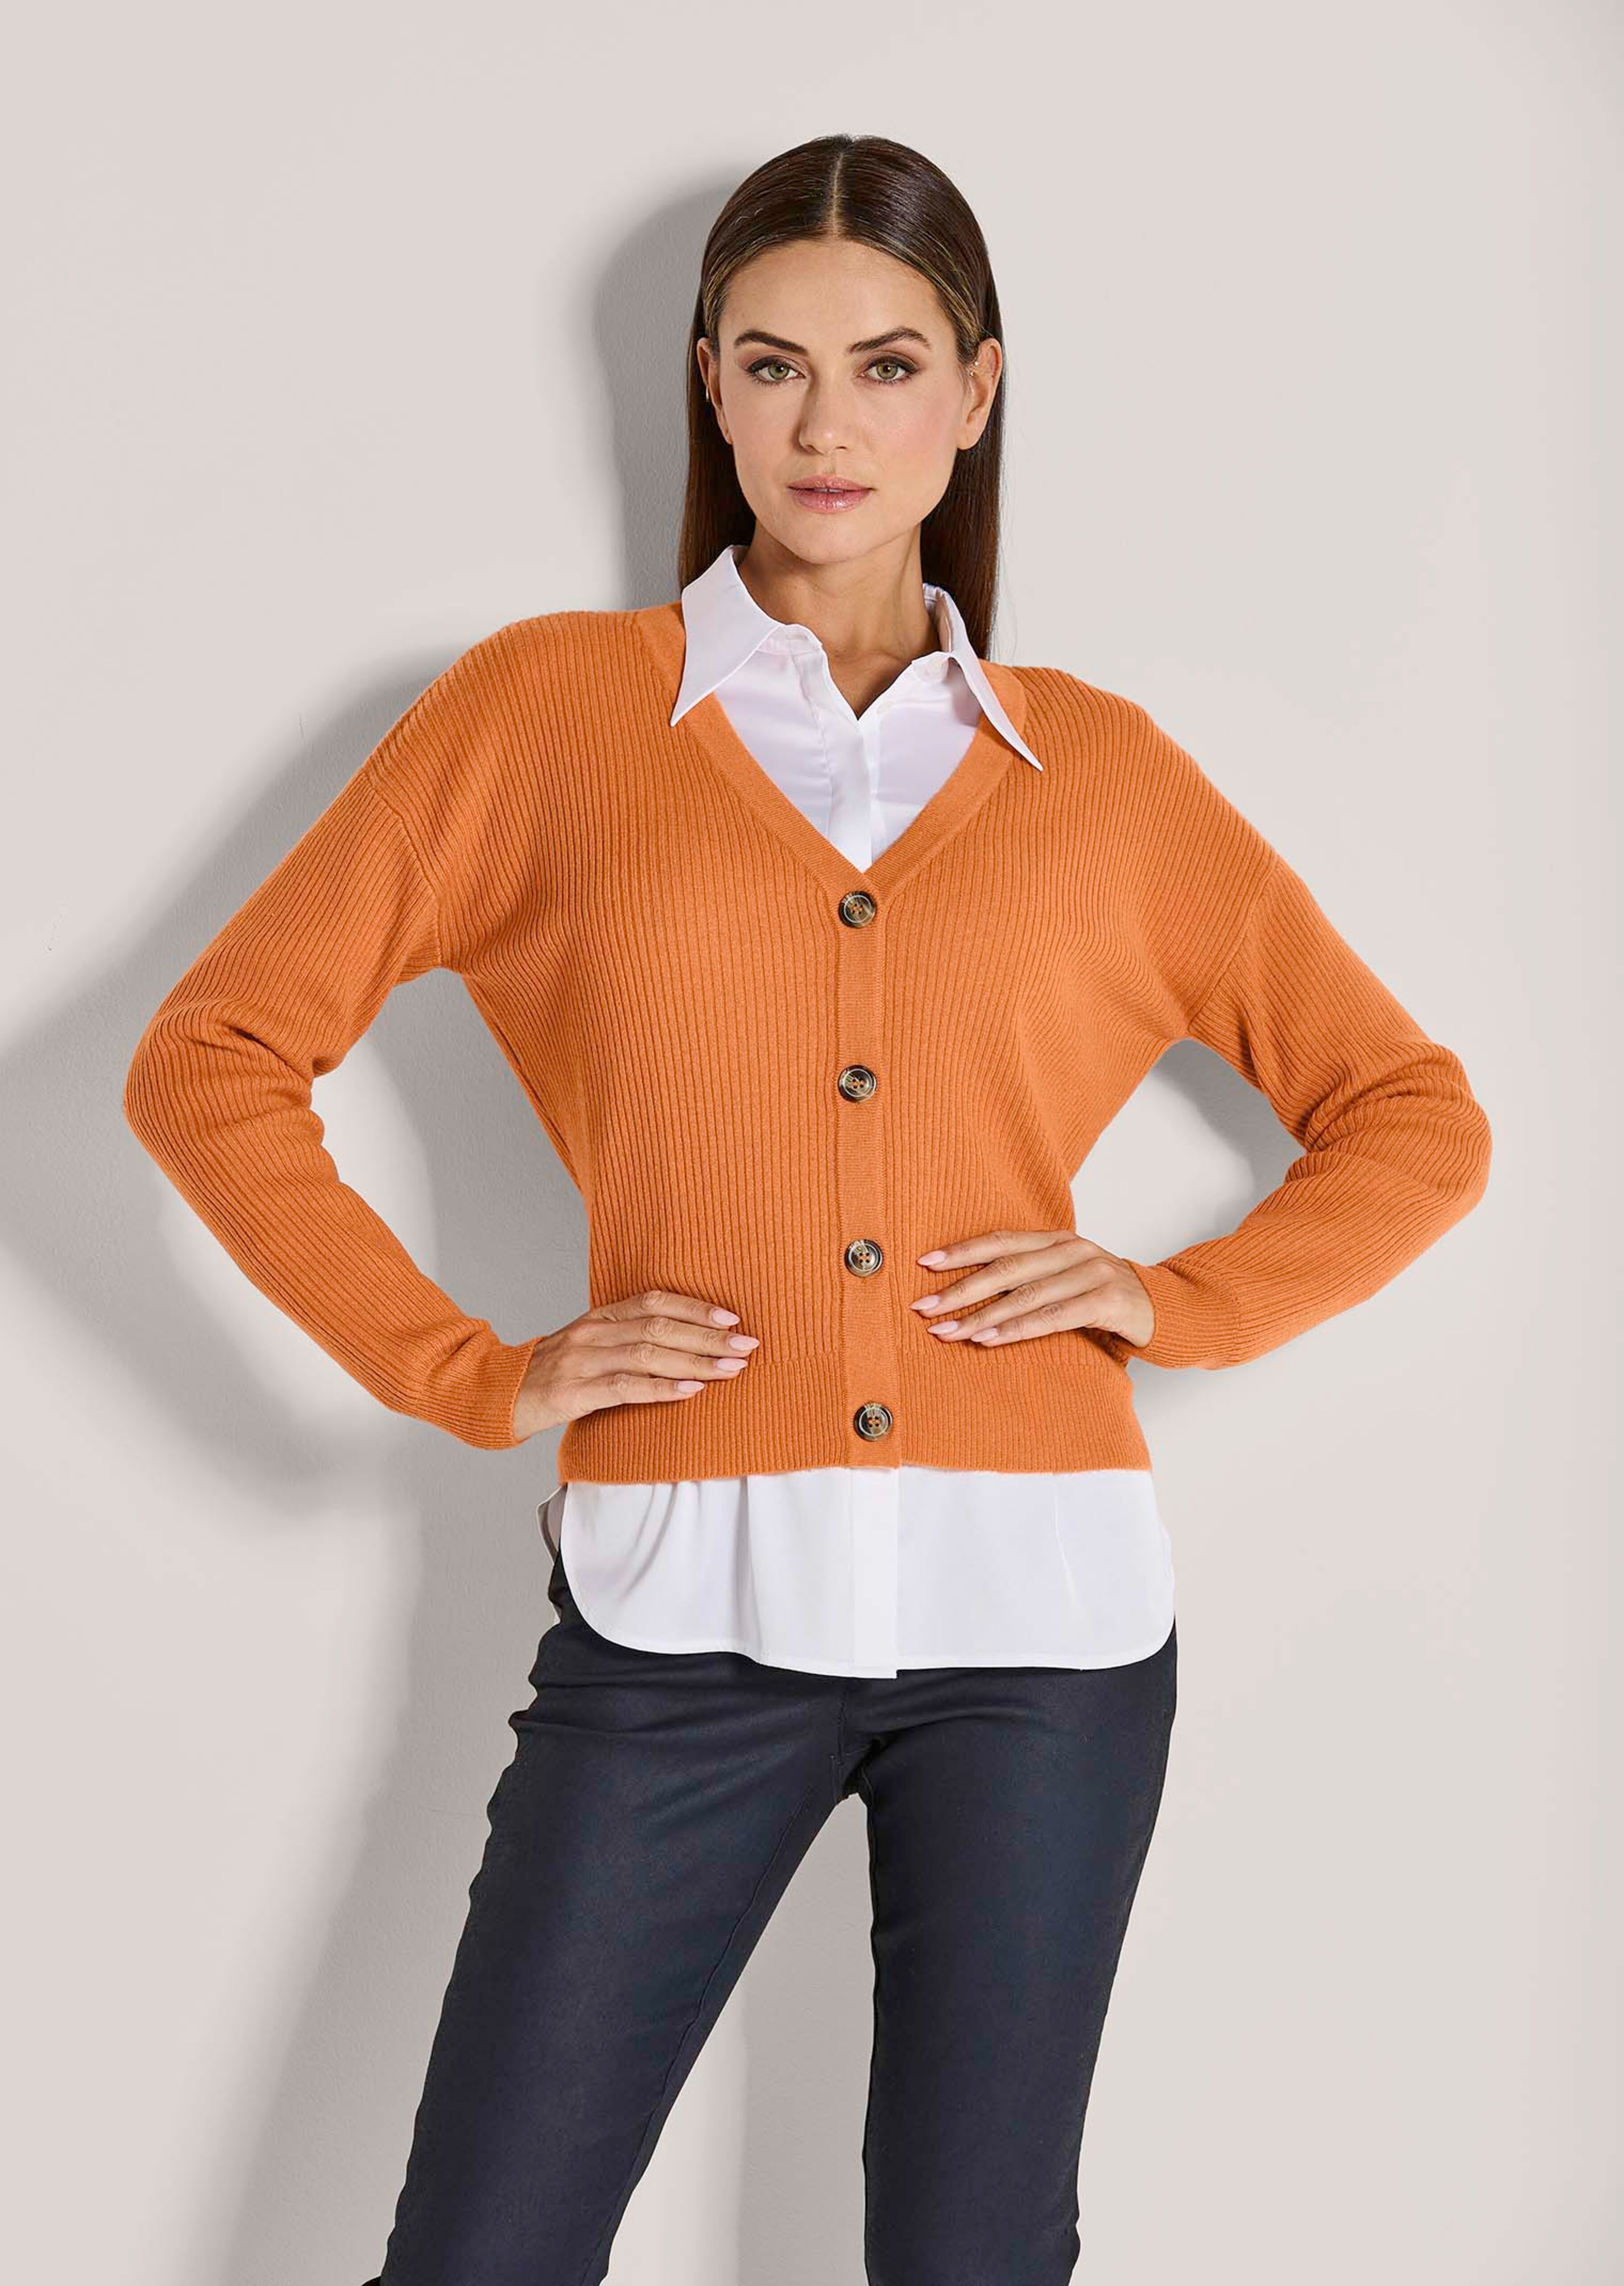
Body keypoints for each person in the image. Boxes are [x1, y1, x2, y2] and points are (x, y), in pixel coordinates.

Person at [122, 132, 1492, 2286]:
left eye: (886, 364)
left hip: (1043, 1629)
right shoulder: (547, 712)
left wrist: (1173, 1299)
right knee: (483, 2247)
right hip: (677, 1617)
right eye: (771, 365)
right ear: (710, 387)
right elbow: (210, 1056)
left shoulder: (1095, 772)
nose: (825, 424)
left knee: (972, 2254)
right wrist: (466, 1367)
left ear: (977, 391)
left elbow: (1411, 1111)